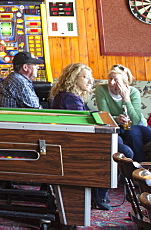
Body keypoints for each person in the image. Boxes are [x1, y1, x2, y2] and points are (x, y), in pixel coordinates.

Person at [49, 62, 115, 210]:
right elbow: (83, 126)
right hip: (74, 143)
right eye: (85, 77)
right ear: (73, 79)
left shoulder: (68, 96)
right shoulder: (70, 98)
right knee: (121, 151)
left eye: (90, 77)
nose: (90, 80)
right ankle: (99, 195)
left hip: (70, 140)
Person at [94, 64, 151, 161]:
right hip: (119, 127)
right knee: (119, 135)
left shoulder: (133, 92)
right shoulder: (101, 90)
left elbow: (135, 120)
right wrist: (117, 119)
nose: (111, 82)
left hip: (140, 128)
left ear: (124, 82)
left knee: (132, 131)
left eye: (116, 80)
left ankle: (139, 168)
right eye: (110, 79)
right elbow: (105, 116)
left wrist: (126, 99)